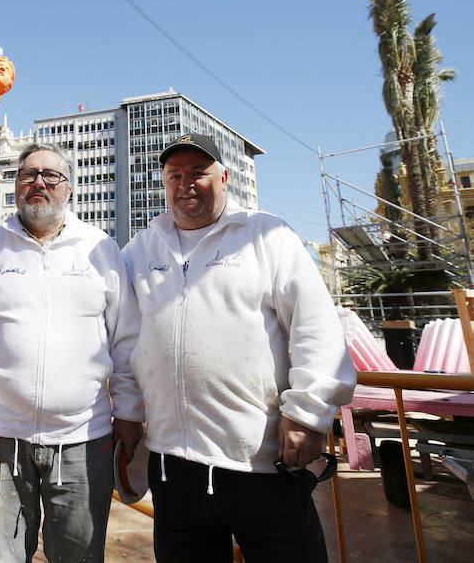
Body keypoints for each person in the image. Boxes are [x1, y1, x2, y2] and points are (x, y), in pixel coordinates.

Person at [122, 133, 356, 562]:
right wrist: (128, 412)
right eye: (175, 174)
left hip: (261, 463)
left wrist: (309, 413)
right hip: (172, 464)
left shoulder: (267, 236)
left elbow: (316, 327)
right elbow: (118, 333)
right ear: (164, 183)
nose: (186, 183)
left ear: (225, 178)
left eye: (199, 173)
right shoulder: (140, 249)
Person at [0, 143, 144, 563]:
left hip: (84, 440)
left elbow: (126, 343)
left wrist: (129, 413)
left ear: (69, 188)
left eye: (51, 176)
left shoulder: (101, 250)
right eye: (28, 175)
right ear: (15, 186)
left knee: (80, 557)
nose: (39, 183)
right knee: (4, 557)